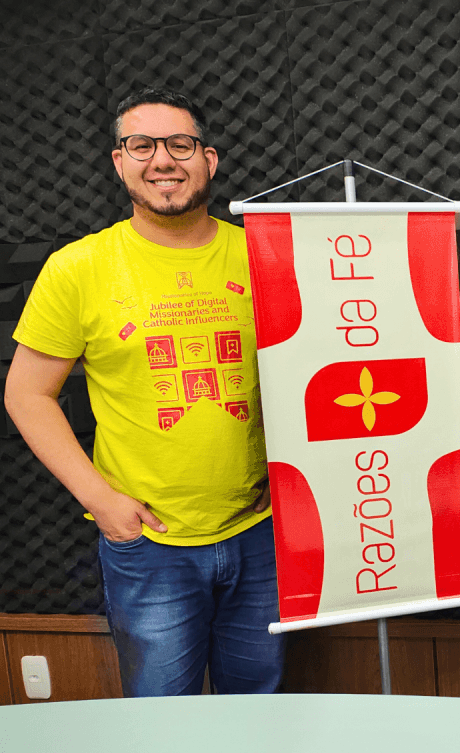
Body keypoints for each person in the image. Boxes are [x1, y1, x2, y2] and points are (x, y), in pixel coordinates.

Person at [4, 87, 283, 696]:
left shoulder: (264, 255)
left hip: (262, 532)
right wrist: (101, 500)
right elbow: (26, 394)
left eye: (180, 144)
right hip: (148, 544)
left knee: (261, 712)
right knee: (161, 722)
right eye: (142, 145)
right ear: (118, 162)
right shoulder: (77, 267)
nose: (163, 159)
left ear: (209, 160)